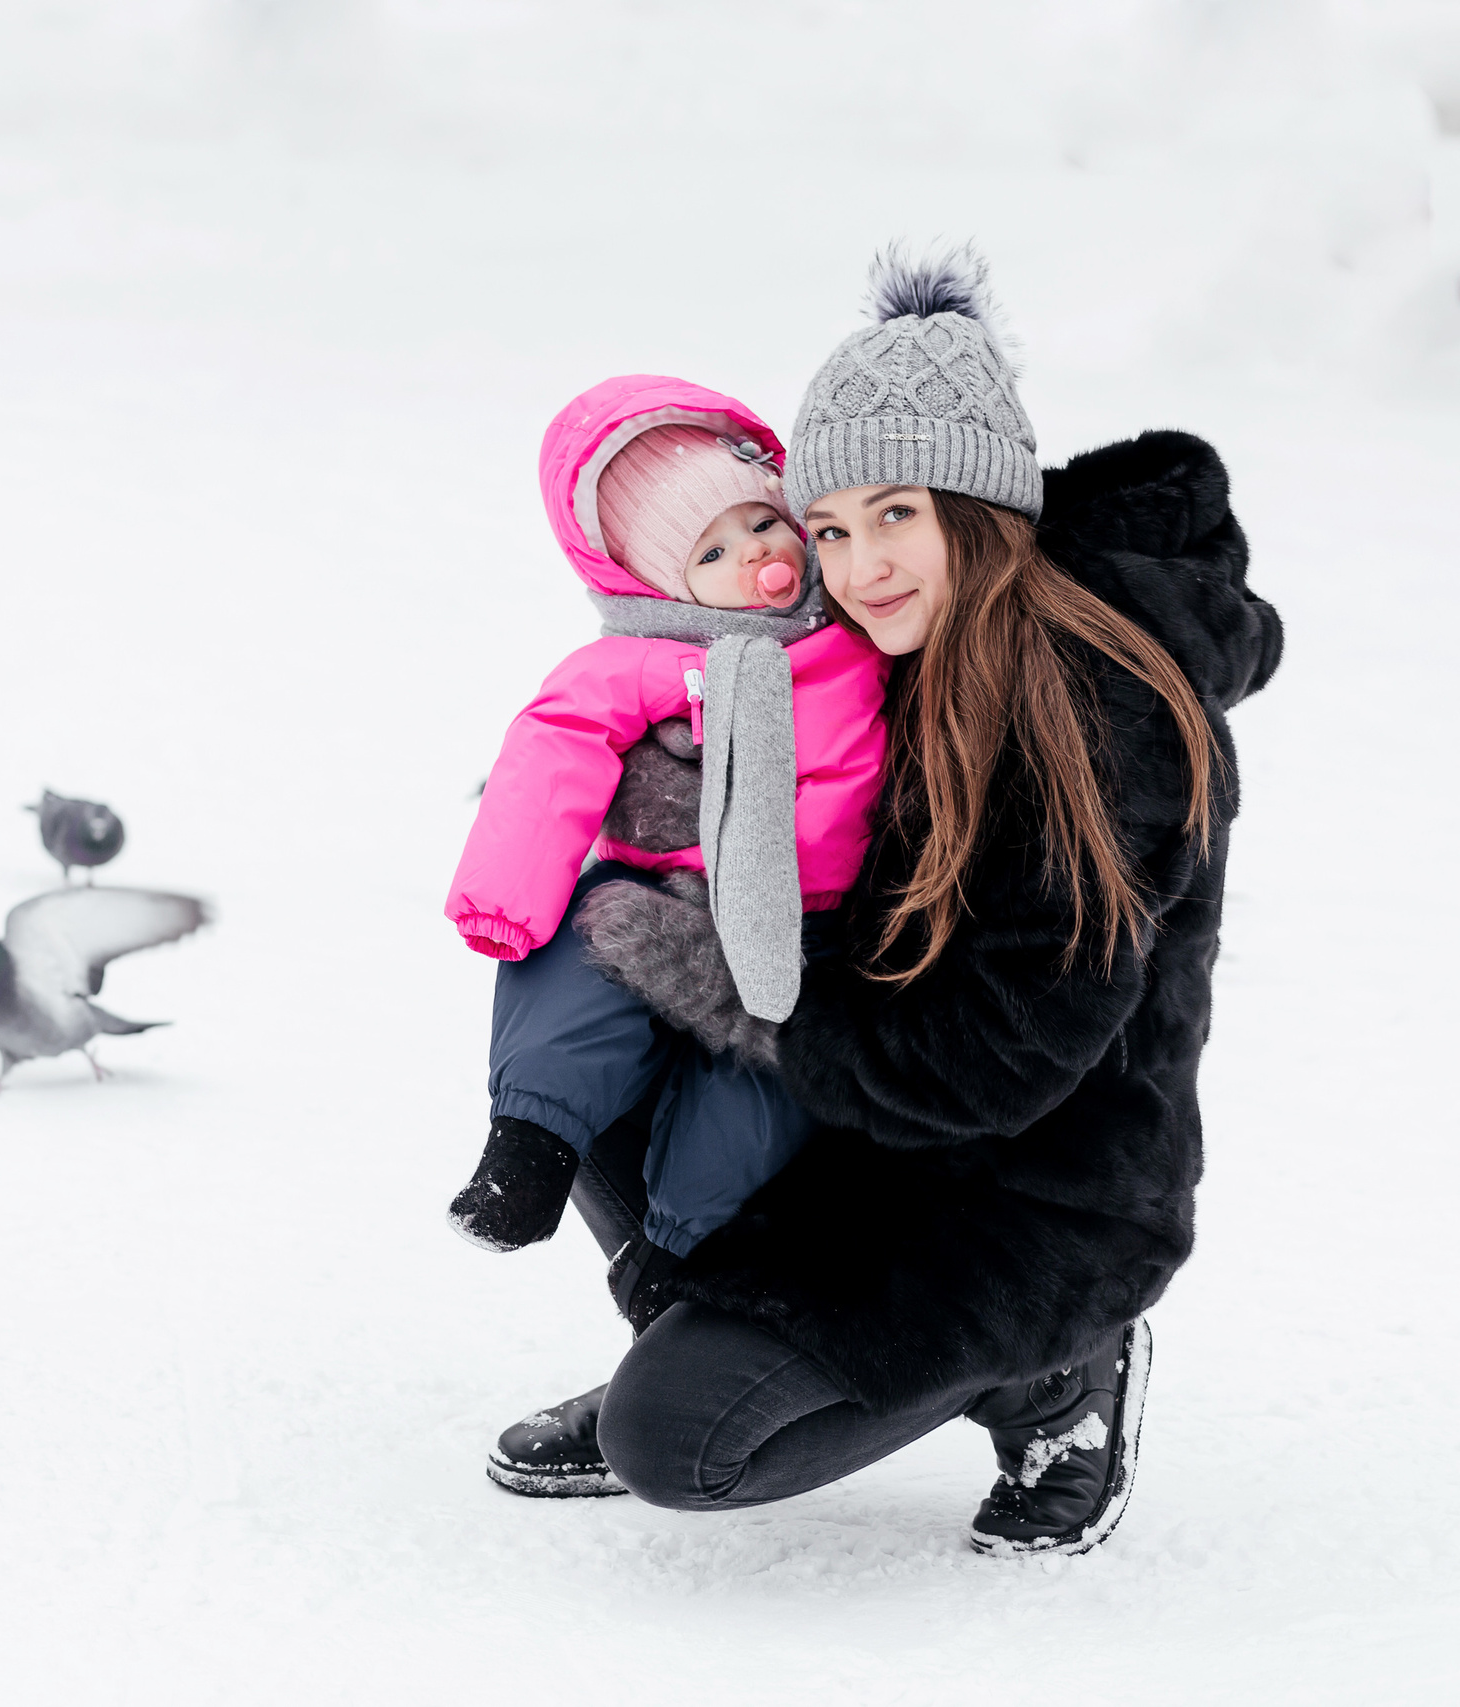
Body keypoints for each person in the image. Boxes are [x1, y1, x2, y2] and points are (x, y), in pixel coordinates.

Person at [481, 247, 1283, 1557]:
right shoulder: (901, 644)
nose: (857, 564)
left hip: (1025, 1191)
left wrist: (746, 994)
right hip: (879, 1107)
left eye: (895, 512)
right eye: (832, 526)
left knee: (674, 1440)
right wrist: (648, 825)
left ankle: (1057, 1375)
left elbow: (995, 1057)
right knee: (594, 1002)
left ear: (979, 502)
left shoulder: (1093, 715)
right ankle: (699, 1325)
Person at [443, 377, 890, 1333]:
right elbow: (552, 744)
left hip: (803, 932)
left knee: (760, 1098)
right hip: (670, 899)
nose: (757, 559)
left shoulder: (858, 634)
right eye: (714, 551)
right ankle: (527, 1145)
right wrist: (505, 896)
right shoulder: (650, 657)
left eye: (763, 526)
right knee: (574, 964)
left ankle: (674, 1257)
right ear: (661, 584)